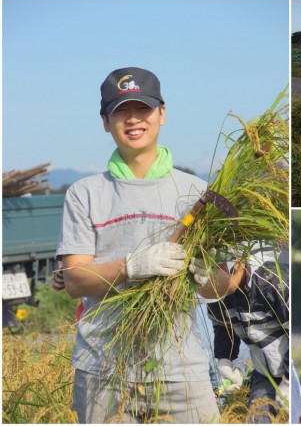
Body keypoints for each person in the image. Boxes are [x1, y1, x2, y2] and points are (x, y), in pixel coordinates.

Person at [57, 67, 240, 423]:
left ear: (162, 114)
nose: (133, 120)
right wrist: (132, 266)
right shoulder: (84, 194)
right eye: (120, 111)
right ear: (105, 122)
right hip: (102, 369)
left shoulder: (196, 193)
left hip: (181, 367)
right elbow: (75, 281)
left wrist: (205, 276)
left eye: (142, 109)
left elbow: (216, 287)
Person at [202, 243, 289, 423]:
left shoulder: (272, 281)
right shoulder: (213, 290)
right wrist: (225, 359)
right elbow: (223, 325)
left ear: (239, 265)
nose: (220, 297)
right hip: (264, 373)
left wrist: (289, 381)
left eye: (222, 292)